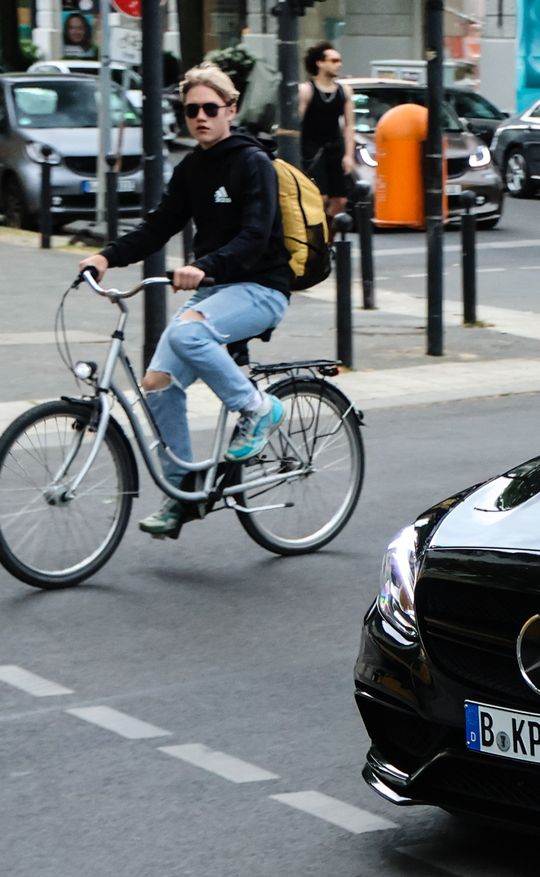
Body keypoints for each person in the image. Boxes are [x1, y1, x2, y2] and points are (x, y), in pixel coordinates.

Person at [80, 64, 293, 538]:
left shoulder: (252, 162)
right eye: (191, 109)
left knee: (187, 329)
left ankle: (258, 409)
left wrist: (206, 266)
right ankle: (180, 494)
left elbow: (256, 237)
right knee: (156, 381)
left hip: (262, 289)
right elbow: (158, 226)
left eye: (210, 108)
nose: (200, 117)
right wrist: (105, 257)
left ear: (230, 110)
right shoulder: (192, 168)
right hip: (216, 290)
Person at [297, 40, 354, 223]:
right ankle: (315, 241)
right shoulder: (306, 90)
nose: (339, 64)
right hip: (312, 149)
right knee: (319, 198)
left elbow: (349, 125)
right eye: (334, 60)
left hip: (335, 148)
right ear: (320, 63)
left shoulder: (344, 91)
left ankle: (328, 243)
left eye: (340, 60)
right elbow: (297, 123)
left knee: (340, 202)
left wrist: (349, 155)